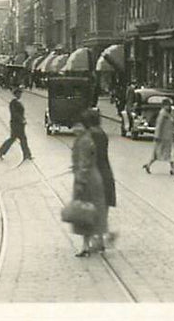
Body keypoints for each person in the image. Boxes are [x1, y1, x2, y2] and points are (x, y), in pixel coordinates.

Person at [70, 110, 107, 256]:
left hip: (88, 180)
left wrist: (80, 181)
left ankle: (87, 246)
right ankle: (93, 243)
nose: (74, 128)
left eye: (77, 125)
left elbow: (84, 163)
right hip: (92, 177)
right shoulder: (84, 139)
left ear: (83, 126)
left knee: (85, 213)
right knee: (90, 212)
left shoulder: (84, 141)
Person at [86, 109, 117, 247]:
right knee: (102, 208)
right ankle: (101, 238)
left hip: (95, 173)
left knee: (92, 207)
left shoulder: (91, 135)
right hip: (106, 172)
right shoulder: (102, 134)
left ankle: (98, 238)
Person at [144, 99, 174, 176]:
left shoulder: (167, 113)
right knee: (168, 153)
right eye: (167, 105)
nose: (169, 107)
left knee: (160, 153)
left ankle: (148, 165)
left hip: (167, 137)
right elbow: (159, 125)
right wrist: (157, 135)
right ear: (164, 105)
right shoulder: (163, 114)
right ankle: (173, 169)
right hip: (164, 137)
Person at [0, 88, 32, 161]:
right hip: (16, 124)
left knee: (19, 139)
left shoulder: (16, 102)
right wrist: (21, 119)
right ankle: (1, 151)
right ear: (16, 94)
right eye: (19, 93)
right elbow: (15, 113)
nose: (20, 95)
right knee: (18, 139)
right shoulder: (14, 102)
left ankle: (26, 154)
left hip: (18, 124)